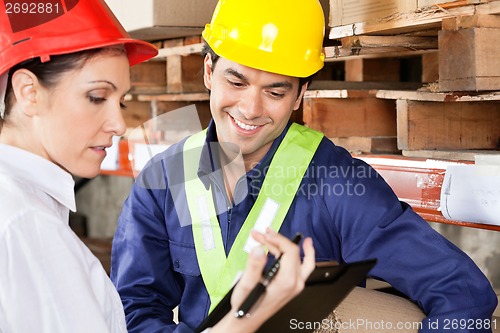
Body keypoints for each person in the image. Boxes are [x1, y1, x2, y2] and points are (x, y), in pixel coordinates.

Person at [111, 0, 498, 332]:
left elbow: (464, 294)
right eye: (237, 81)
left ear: (300, 94)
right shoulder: (163, 179)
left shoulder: (336, 182)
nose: (250, 110)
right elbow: (132, 311)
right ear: (209, 71)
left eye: (275, 91)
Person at [0, 1, 312, 332]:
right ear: (29, 92)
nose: (119, 124)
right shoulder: (25, 226)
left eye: (121, 102)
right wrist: (243, 322)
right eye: (96, 97)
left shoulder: (26, 214)